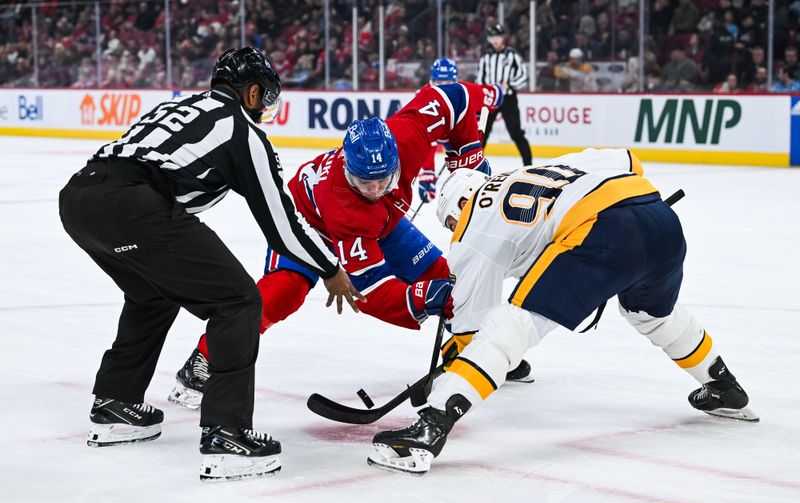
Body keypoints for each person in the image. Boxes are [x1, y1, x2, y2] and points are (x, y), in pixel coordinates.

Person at [59, 47, 363, 482]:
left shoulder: (179, 105)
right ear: (253, 92)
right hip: (133, 205)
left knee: (151, 293)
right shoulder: (243, 131)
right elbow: (282, 225)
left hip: (78, 199)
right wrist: (330, 268)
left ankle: (116, 403)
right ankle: (227, 435)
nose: (266, 108)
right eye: (266, 97)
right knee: (238, 303)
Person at [367, 148, 758, 475]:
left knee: (513, 325)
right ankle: (725, 387)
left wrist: (455, 361)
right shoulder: (537, 170)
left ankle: (429, 428)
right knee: (653, 315)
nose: (454, 227)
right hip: (658, 217)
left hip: (603, 231)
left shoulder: (472, 226)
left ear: (457, 206)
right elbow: (628, 159)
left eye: (451, 220)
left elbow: (476, 331)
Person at [168, 80, 531, 410]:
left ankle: (481, 348)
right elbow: (368, 291)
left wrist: (466, 153)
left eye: (382, 180)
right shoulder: (345, 205)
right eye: (363, 182)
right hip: (306, 224)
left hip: (384, 223)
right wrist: (423, 299)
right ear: (346, 170)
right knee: (282, 294)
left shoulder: (408, 135)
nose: (374, 190)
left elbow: (458, 97)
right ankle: (204, 359)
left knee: (445, 275)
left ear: (396, 161)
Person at [415, 57, 504, 205]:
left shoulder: (465, 92)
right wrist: (427, 173)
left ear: (456, 80)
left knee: (474, 180)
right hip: (441, 134)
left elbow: (496, 95)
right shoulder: (423, 97)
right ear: (431, 81)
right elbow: (426, 140)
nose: (444, 88)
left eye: (448, 83)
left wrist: (480, 109)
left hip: (460, 139)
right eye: (439, 83)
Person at [477, 24, 533, 167]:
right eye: (492, 37)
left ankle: (529, 165)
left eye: (498, 37)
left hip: (508, 99)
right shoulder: (486, 57)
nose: (495, 40)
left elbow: (523, 76)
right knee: (482, 133)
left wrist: (510, 84)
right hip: (489, 100)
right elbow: (480, 79)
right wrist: (482, 95)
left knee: (516, 133)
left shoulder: (513, 55)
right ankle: (475, 165)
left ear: (503, 38)